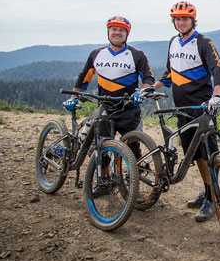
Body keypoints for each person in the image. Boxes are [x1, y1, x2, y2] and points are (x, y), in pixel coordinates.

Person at [151, 1, 220, 222]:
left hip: (203, 107)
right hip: (182, 107)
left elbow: (217, 69)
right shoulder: (173, 42)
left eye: (185, 18)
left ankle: (214, 199)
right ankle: (208, 190)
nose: (181, 22)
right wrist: (151, 87)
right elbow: (170, 73)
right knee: (195, 154)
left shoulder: (203, 42)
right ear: (173, 22)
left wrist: (217, 95)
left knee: (209, 152)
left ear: (193, 20)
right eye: (177, 19)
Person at [63, 16, 155, 160]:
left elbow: (148, 78)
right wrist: (74, 97)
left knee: (134, 151)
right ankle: (105, 182)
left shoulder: (137, 55)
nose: (117, 33)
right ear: (108, 31)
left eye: (121, 30)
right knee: (102, 152)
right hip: (105, 108)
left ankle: (133, 177)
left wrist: (142, 91)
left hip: (129, 109)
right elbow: (83, 79)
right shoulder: (96, 54)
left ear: (127, 34)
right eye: (114, 29)